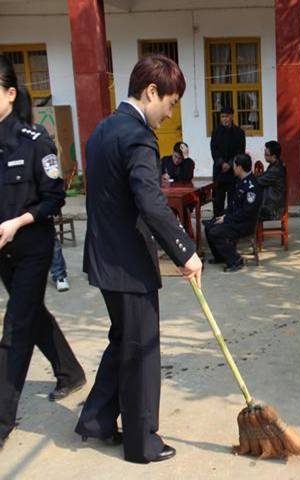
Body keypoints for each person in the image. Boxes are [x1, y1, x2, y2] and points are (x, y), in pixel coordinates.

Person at [76, 54, 203, 464]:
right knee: (141, 351)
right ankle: (141, 442)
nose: (169, 114)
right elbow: (151, 202)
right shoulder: (137, 136)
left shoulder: (102, 130)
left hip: (103, 259)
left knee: (122, 341)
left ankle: (96, 419)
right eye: (169, 103)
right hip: (128, 265)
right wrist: (187, 251)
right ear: (151, 92)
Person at [0, 55, 86, 450]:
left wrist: (18, 222)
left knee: (14, 326)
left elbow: (54, 199)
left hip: (33, 248)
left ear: (9, 93)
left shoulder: (36, 143)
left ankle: (2, 418)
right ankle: (69, 371)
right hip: (3, 252)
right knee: (31, 313)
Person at [205, 154, 262, 272]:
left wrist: (226, 219)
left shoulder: (251, 187)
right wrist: (224, 215)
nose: (233, 168)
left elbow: (246, 213)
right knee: (209, 226)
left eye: (234, 165)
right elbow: (233, 205)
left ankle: (235, 260)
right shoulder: (240, 181)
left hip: (244, 224)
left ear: (240, 167)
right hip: (235, 219)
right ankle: (220, 256)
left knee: (216, 232)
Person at [210, 107, 246, 216]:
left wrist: (230, 164)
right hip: (219, 172)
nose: (224, 119)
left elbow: (241, 151)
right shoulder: (216, 132)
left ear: (232, 116)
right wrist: (221, 163)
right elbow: (214, 149)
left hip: (233, 172)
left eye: (226, 116)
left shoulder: (239, 133)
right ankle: (216, 225)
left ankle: (231, 225)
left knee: (233, 201)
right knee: (218, 201)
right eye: (222, 117)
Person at [256, 140, 286, 222]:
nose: (265, 156)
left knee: (247, 210)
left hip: (272, 210)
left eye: (266, 155)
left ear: (274, 156)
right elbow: (263, 177)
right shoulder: (275, 165)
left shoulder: (275, 169)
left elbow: (259, 181)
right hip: (271, 204)